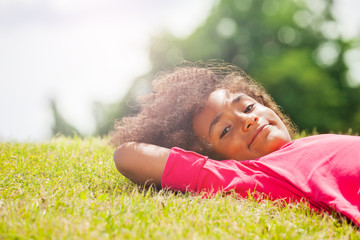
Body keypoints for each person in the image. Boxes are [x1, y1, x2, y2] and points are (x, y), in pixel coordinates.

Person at [110, 61, 360, 226]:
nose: (248, 120)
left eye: (248, 106)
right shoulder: (255, 175)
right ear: (216, 159)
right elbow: (127, 155)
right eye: (225, 130)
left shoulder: (309, 143)